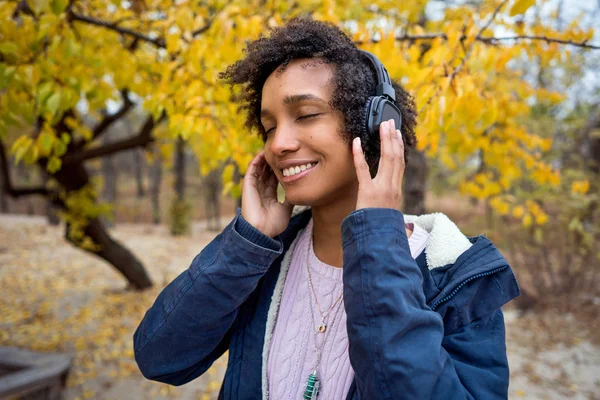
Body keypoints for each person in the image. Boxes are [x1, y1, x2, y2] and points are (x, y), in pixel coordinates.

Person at [133, 17, 520, 400]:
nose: (279, 143)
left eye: (305, 115)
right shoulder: (262, 259)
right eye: (269, 127)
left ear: (375, 126)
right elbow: (160, 359)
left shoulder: (458, 279)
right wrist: (247, 243)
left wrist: (377, 243)